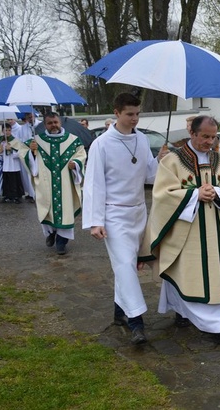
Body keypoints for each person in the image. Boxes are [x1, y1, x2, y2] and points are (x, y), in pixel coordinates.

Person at [141, 115, 220, 348]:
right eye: (205, 137)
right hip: (186, 231)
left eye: (213, 137)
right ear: (192, 133)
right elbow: (162, 195)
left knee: (218, 276)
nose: (210, 142)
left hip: (217, 231)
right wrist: (193, 194)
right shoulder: (172, 161)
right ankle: (182, 310)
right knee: (185, 271)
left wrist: (217, 193)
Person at [82, 92, 169, 345]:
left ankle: (120, 312)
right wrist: (96, 221)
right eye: (130, 114)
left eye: (138, 114)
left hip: (139, 212)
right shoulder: (102, 144)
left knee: (131, 265)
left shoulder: (141, 140)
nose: (135, 119)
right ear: (117, 113)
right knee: (124, 266)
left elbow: (149, 176)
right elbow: (94, 184)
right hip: (114, 215)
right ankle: (136, 322)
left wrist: (159, 161)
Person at [21, 112, 86, 255]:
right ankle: (50, 233)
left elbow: (81, 155)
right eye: (50, 123)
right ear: (45, 125)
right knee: (47, 210)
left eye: (55, 122)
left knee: (66, 212)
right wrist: (31, 153)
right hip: (46, 184)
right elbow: (23, 153)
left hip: (66, 184)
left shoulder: (73, 140)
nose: (53, 125)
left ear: (60, 122)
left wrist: (75, 164)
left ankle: (62, 242)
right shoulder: (36, 141)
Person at [0, 123, 25, 203]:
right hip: (5, 164)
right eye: (6, 130)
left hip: (13, 164)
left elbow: (20, 153)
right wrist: (0, 151)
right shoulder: (1, 141)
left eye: (9, 130)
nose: (8, 132)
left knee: (14, 180)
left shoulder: (15, 140)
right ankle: (7, 195)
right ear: (2, 131)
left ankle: (16, 195)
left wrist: (11, 149)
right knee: (7, 180)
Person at [17, 112, 40, 203]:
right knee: (29, 174)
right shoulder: (23, 128)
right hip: (28, 153)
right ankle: (31, 194)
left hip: (38, 153)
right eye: (28, 117)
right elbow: (21, 141)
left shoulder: (40, 125)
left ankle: (39, 194)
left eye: (31, 116)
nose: (30, 119)